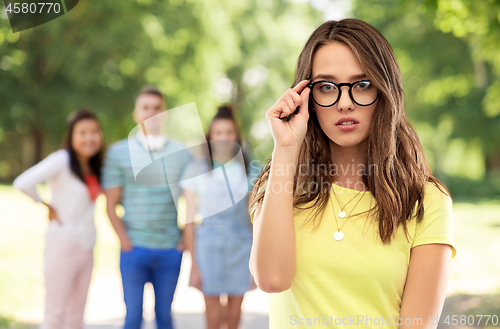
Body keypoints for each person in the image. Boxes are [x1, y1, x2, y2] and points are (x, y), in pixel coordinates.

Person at [248, 19, 457, 329]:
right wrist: (287, 148)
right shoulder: (280, 183)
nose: (344, 102)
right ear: (307, 97)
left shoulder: (425, 201)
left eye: (361, 84)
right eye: (327, 87)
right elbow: (272, 279)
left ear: (385, 92)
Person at [102, 86, 194, 329]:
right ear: (136, 114)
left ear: (165, 113)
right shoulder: (118, 153)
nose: (151, 113)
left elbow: (193, 200)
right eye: (146, 108)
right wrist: (125, 242)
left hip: (169, 250)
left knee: (165, 317)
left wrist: (184, 241)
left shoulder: (182, 153)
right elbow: (110, 205)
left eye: (157, 108)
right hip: (134, 249)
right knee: (132, 319)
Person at [13, 109, 104, 329]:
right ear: (71, 136)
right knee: (55, 315)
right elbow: (22, 182)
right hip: (62, 245)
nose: (89, 138)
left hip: (87, 246)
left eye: (94, 132)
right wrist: (45, 204)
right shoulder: (62, 160)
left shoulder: (93, 166)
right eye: (82, 132)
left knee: (76, 317)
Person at [180, 105, 260, 329]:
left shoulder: (251, 170)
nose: (223, 137)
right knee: (213, 319)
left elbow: (256, 220)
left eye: (229, 132)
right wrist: (194, 266)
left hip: (241, 246)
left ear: (236, 136)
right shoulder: (196, 169)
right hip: (208, 247)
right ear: (210, 136)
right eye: (218, 133)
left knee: (234, 318)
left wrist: (256, 263)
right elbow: (189, 221)